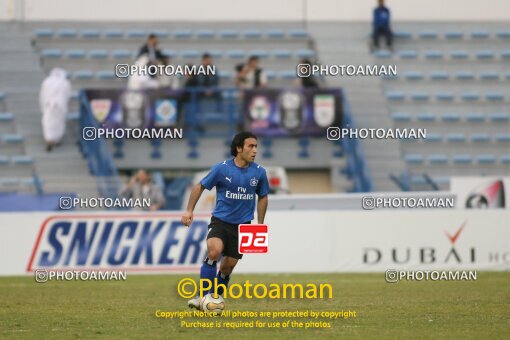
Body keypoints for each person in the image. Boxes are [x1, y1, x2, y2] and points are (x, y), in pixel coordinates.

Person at [182, 131, 270, 309]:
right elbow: (200, 186)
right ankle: (203, 296)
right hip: (220, 221)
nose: (254, 150)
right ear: (239, 148)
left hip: (244, 226)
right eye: (250, 146)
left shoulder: (260, 172)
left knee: (227, 267)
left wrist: (260, 225)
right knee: (214, 252)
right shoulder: (221, 169)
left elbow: (263, 197)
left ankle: (215, 298)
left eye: (256, 147)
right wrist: (189, 210)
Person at [39, 67, 72, 152]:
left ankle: (49, 139)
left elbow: (43, 95)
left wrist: (43, 106)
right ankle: (56, 140)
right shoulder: (65, 83)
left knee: (48, 122)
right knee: (58, 123)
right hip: (60, 106)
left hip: (48, 105)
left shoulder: (46, 82)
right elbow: (67, 95)